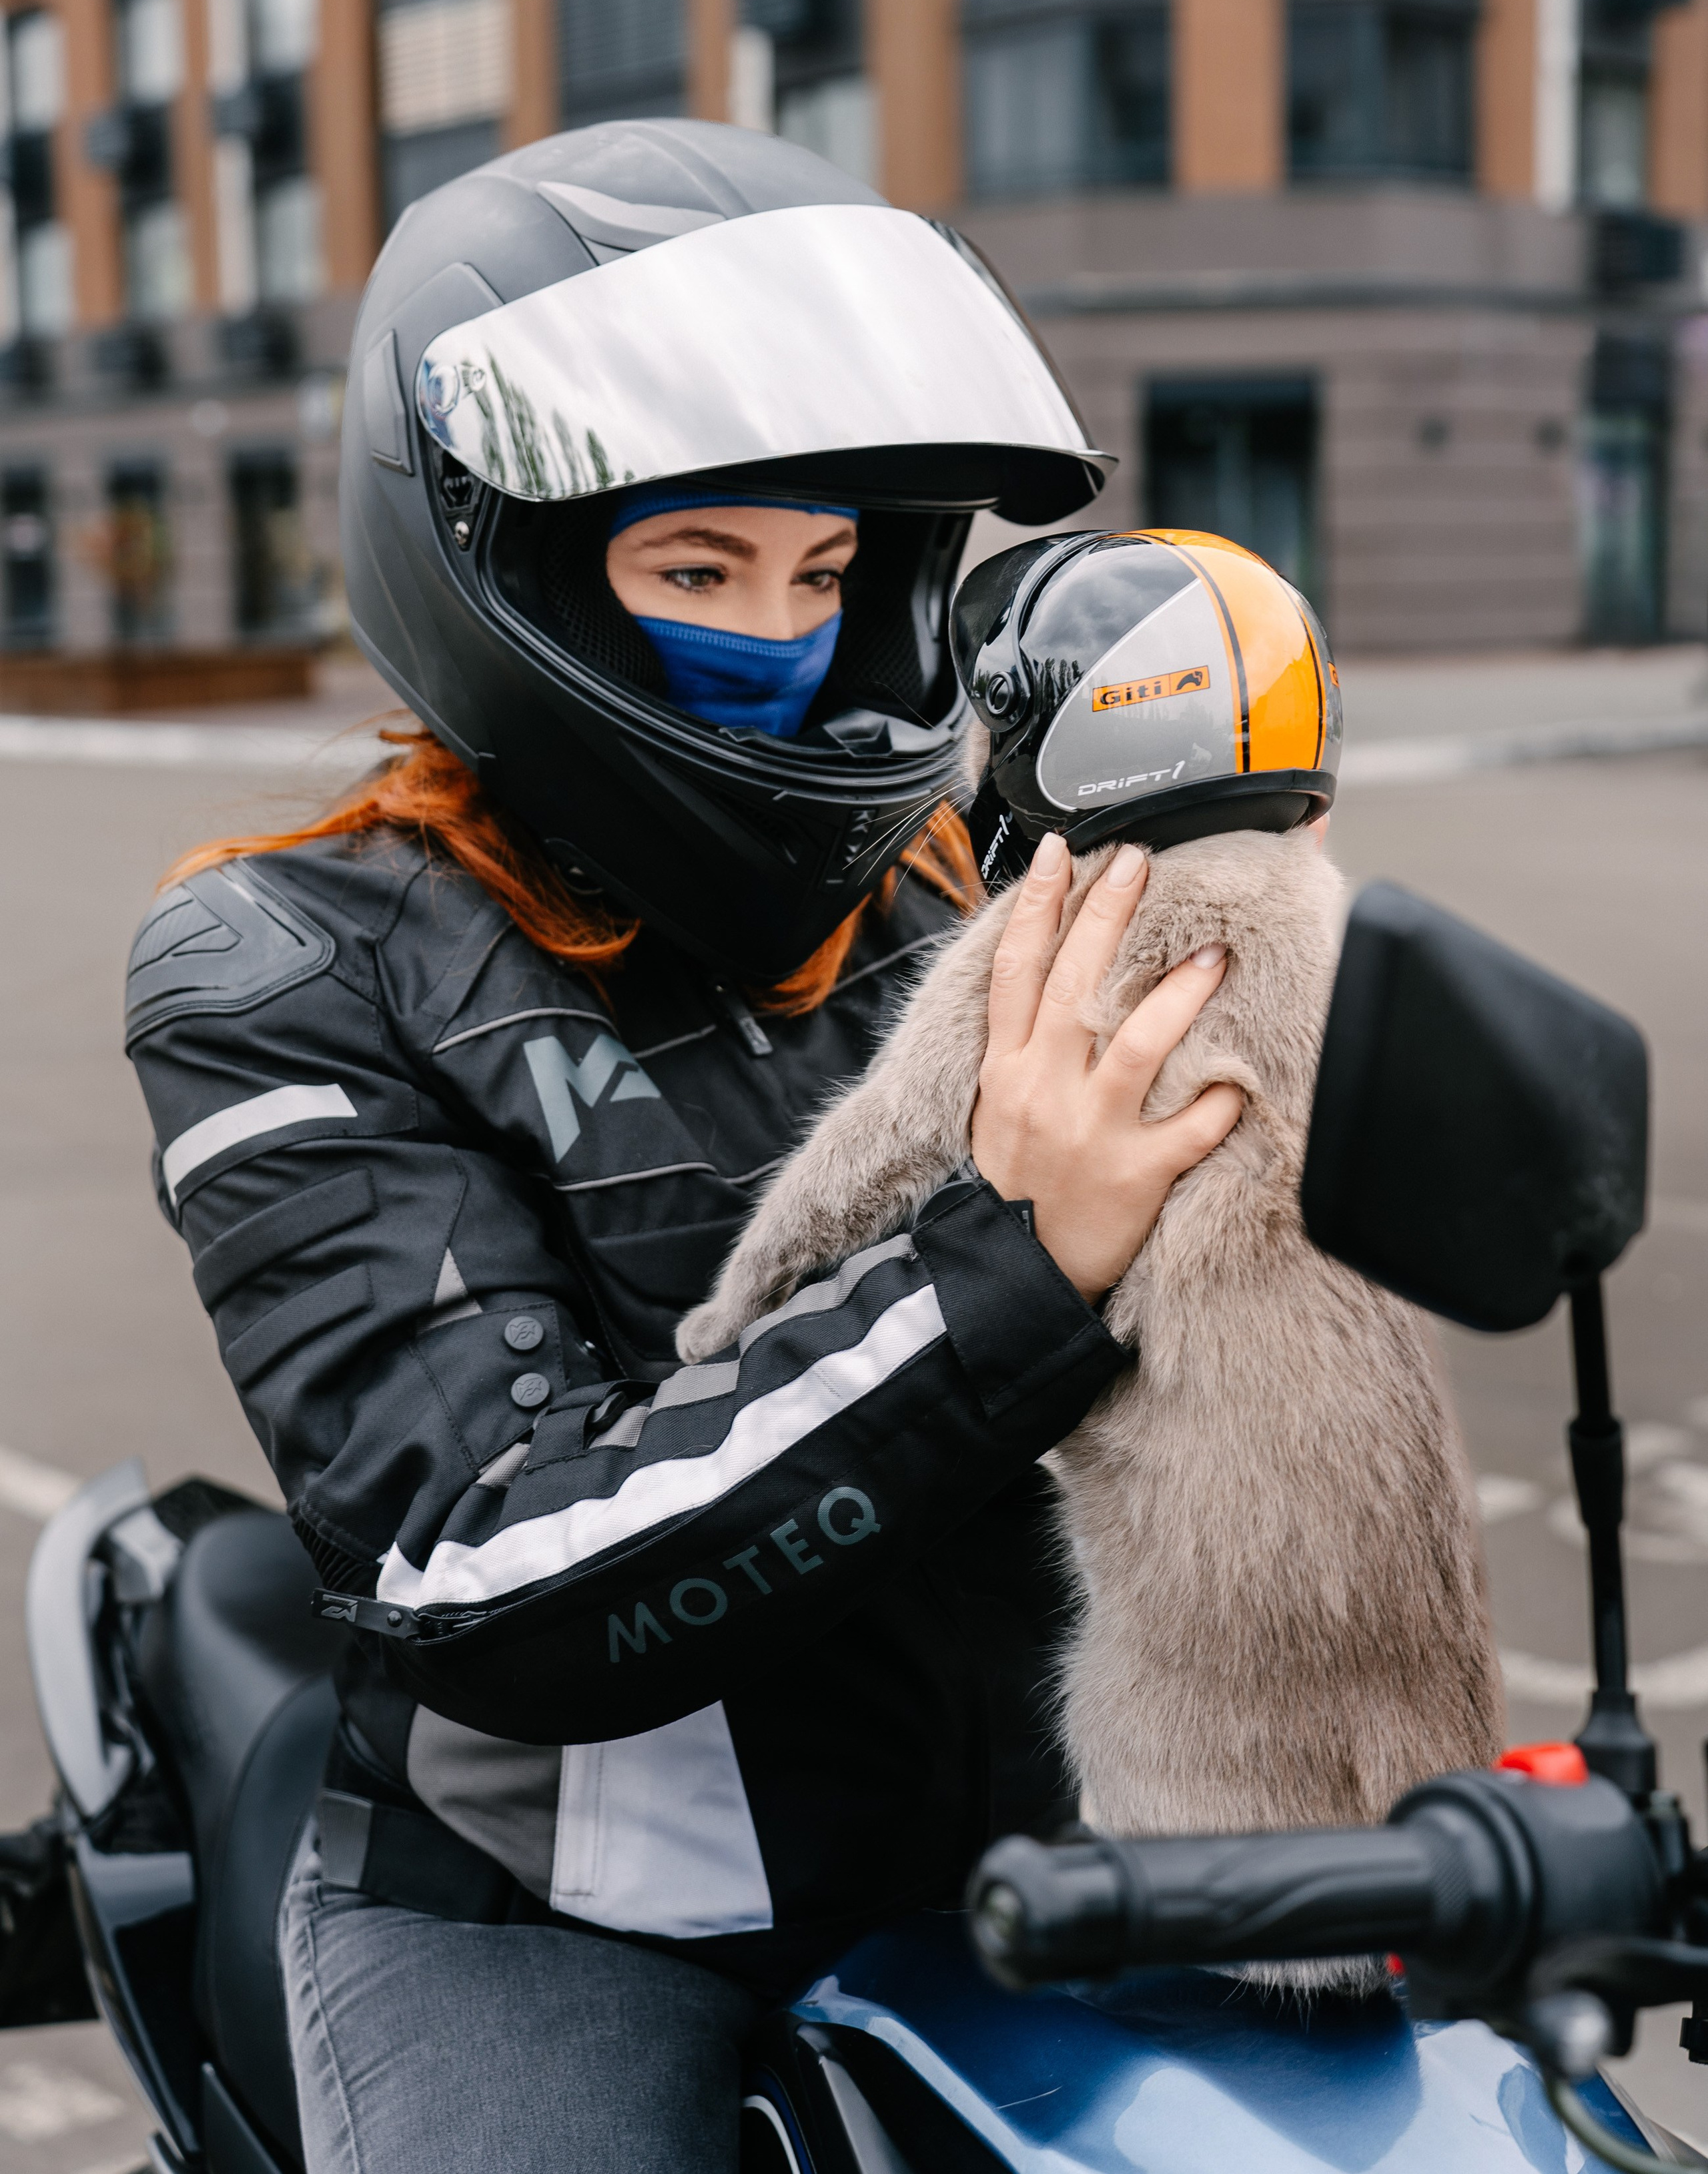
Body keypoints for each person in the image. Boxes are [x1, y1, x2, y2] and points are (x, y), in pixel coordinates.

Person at [124, 122, 1249, 2174]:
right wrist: (1012, 1267)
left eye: (830, 572)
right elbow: (480, 1563)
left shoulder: (958, 893)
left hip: (1026, 1853)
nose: (789, 633)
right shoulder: (280, 961)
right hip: (566, 1917)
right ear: (526, 570)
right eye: (701, 568)